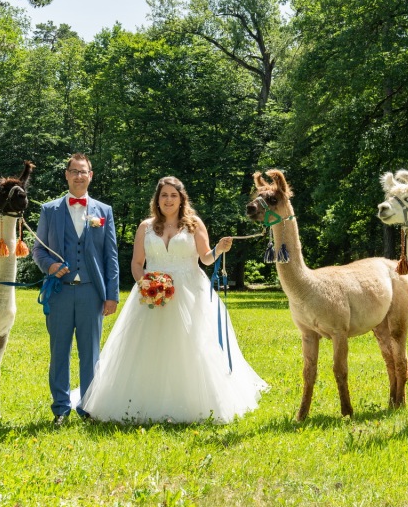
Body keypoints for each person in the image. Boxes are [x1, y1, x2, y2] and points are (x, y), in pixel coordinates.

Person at [80, 176, 268, 423]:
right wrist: (145, 283)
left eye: (173, 195)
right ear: (157, 200)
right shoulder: (145, 227)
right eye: (164, 195)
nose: (168, 200)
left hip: (190, 294)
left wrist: (219, 249)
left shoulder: (193, 224)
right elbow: (137, 264)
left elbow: (206, 258)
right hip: (151, 294)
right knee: (148, 348)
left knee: (190, 347)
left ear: (181, 199)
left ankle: (192, 402)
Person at [32, 153, 119, 425]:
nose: (79, 176)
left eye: (84, 171)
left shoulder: (104, 211)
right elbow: (38, 249)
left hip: (91, 293)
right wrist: (50, 266)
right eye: (74, 171)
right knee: (59, 351)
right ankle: (60, 409)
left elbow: (111, 256)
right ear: (66, 175)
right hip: (58, 291)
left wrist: (111, 295)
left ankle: (88, 407)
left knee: (90, 353)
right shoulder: (49, 210)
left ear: (91, 176)